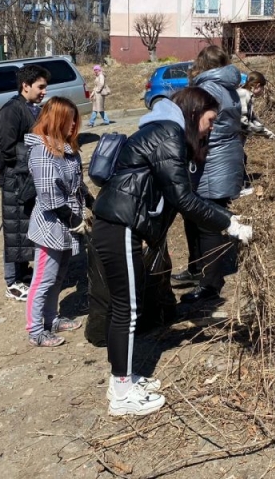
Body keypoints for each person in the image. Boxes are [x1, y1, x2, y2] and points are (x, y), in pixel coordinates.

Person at [91, 87, 253, 416]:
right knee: (128, 310)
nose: (211, 127)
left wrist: (227, 217)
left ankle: (124, 379)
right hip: (119, 224)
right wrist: (228, 224)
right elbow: (182, 198)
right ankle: (121, 395)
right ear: (195, 113)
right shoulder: (168, 132)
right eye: (210, 119)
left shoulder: (165, 130)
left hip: (123, 224)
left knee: (128, 308)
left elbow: (177, 196)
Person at [178, 46, 246, 303]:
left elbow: (196, 127)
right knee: (197, 216)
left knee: (207, 223)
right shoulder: (229, 87)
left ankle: (210, 284)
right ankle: (197, 269)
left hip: (210, 159)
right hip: (225, 156)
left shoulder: (207, 87)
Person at [24, 97, 90, 346]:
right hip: (51, 223)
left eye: (75, 119)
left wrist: (91, 202)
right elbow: (48, 193)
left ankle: (52, 318)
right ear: (55, 120)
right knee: (43, 279)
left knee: (59, 276)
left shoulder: (66, 147)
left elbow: (77, 183)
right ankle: (35, 330)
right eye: (68, 119)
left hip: (66, 221)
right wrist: (73, 219)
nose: (73, 124)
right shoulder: (43, 150)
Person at [0, 64, 49, 301]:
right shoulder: (11, 111)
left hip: (27, 178)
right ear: (25, 86)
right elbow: (7, 150)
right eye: (41, 87)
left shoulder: (31, 108)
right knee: (15, 231)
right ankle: (12, 283)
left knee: (25, 229)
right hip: (15, 179)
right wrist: (34, 154)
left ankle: (24, 275)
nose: (44, 91)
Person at [237, 71, 275, 197]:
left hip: (238, 136)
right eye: (263, 88)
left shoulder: (248, 96)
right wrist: (255, 131)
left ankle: (241, 185)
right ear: (257, 85)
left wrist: (266, 132)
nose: (263, 91)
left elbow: (253, 119)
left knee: (241, 157)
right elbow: (243, 121)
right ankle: (239, 188)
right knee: (239, 158)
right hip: (233, 136)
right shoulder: (244, 95)